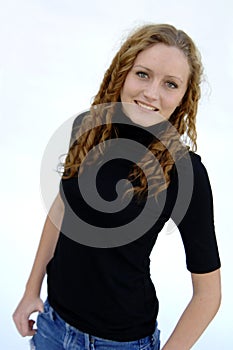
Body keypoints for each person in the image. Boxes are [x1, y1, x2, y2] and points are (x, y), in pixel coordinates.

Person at [13, 24, 221, 350]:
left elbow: (208, 295)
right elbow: (62, 207)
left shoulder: (185, 172)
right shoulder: (88, 128)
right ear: (122, 73)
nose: (152, 93)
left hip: (121, 343)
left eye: (170, 84)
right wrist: (31, 289)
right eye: (143, 74)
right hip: (53, 328)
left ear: (184, 96)